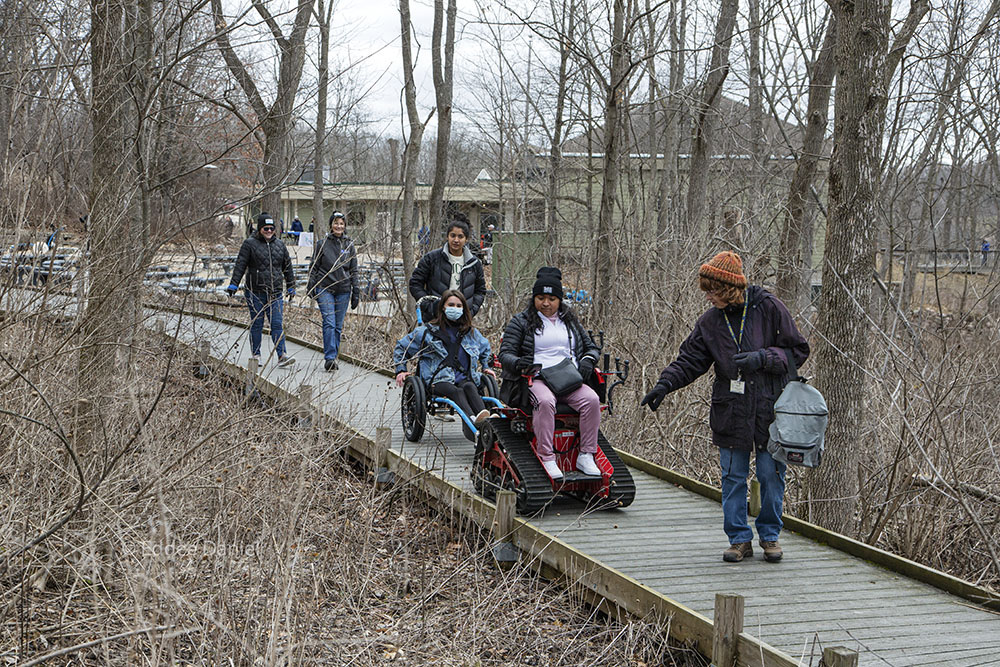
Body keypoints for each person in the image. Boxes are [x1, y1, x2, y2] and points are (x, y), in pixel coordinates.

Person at [640, 251, 809, 564]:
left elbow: (797, 351)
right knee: (733, 476)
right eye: (706, 291)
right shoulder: (710, 321)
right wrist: (664, 385)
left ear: (731, 288)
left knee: (771, 475)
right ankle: (738, 539)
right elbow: (690, 361)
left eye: (713, 291)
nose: (709, 297)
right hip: (730, 409)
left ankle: (770, 535)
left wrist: (763, 358)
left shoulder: (769, 307)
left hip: (770, 409)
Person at [497, 267, 603, 479]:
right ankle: (547, 456)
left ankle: (586, 454)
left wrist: (588, 360)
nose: (546, 303)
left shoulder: (571, 322)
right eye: (541, 297)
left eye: (552, 298)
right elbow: (505, 354)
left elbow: (592, 347)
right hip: (536, 378)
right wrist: (519, 363)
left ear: (560, 300)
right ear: (534, 298)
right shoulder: (521, 321)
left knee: (592, 399)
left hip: (568, 378)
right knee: (545, 402)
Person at [393, 290, 495, 442]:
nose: (455, 308)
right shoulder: (426, 332)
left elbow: (485, 348)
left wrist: (486, 365)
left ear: (464, 309)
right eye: (451, 305)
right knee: (456, 392)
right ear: (443, 308)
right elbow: (402, 347)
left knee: (470, 388)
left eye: (459, 305)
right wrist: (401, 370)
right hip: (438, 380)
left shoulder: (471, 333)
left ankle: (486, 419)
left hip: (464, 377)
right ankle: (473, 421)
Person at [226, 212, 297, 367]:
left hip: (275, 292)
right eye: (266, 228)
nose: (269, 231)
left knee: (277, 324)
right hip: (255, 291)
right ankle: (256, 354)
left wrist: (291, 286)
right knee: (257, 324)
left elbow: (288, 267)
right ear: (259, 229)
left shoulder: (280, 245)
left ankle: (282, 355)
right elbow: (240, 265)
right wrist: (234, 284)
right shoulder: (249, 244)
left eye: (272, 228)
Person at [307, 211, 360, 372]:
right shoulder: (322, 244)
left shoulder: (349, 245)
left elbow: (354, 270)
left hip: (343, 289)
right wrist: (311, 285)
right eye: (336, 223)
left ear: (345, 226)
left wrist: (356, 290)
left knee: (337, 325)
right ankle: (330, 358)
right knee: (329, 322)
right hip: (325, 288)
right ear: (331, 225)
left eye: (342, 223)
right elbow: (314, 267)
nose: (339, 226)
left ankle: (333, 356)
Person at [409, 216, 487, 318]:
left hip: (462, 318)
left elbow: (480, 290)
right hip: (435, 318)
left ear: (466, 239)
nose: (456, 240)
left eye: (460, 236)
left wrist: (470, 311)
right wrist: (430, 307)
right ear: (447, 236)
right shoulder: (432, 258)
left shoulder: (473, 263)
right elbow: (415, 283)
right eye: (452, 235)